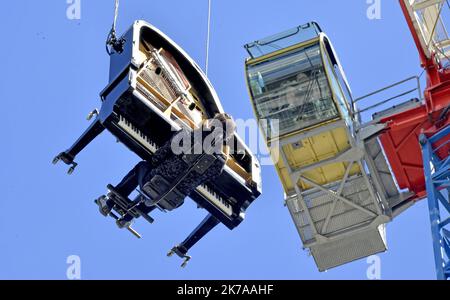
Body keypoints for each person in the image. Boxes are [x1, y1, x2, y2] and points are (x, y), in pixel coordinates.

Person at [97, 113, 236, 228]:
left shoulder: (187, 135)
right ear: (227, 137)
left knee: (143, 166)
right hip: (173, 200)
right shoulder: (219, 163)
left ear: (212, 123)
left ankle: (109, 203)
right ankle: (127, 218)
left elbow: (158, 158)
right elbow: (201, 180)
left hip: (153, 182)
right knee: (164, 189)